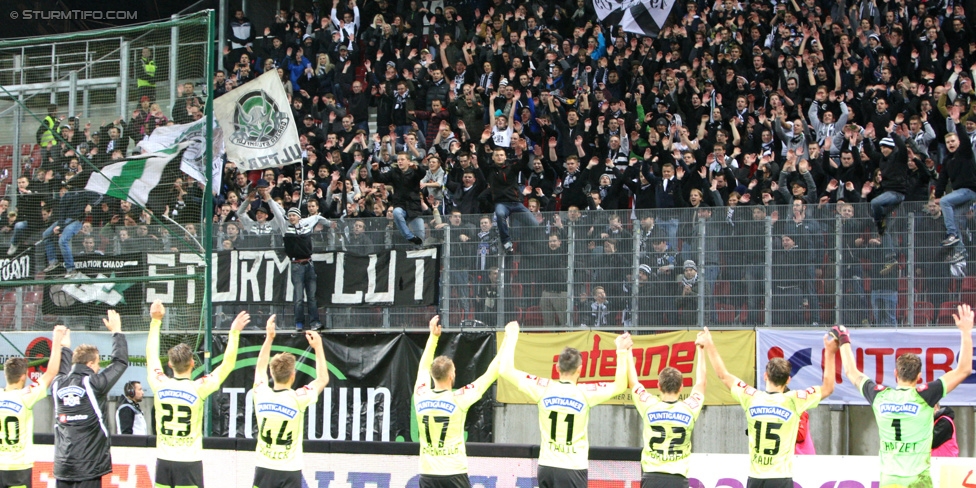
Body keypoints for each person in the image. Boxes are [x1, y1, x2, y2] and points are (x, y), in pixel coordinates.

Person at [832, 305, 973, 487]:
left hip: (889, 481)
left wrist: (844, 339)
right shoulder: (925, 396)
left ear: (895, 374)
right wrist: (966, 331)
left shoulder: (880, 396)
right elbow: (964, 369)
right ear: (919, 377)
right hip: (917, 481)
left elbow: (851, 372)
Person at [499, 322, 631, 488]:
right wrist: (621, 351)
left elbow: (504, 370)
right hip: (573, 468)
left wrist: (511, 336)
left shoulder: (542, 388)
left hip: (547, 466)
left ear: (557, 367)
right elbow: (620, 385)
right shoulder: (585, 393)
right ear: (580, 370)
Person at [701, 326, 836, 488]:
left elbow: (723, 375)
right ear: (788, 381)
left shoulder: (750, 397)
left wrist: (709, 344)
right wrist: (830, 352)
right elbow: (828, 387)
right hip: (781, 478)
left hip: (756, 478)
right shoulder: (794, 400)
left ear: (765, 376)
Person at [147, 301, 249, 488]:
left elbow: (151, 357)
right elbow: (228, 365)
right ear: (193, 363)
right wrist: (234, 333)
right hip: (188, 462)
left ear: (169, 364)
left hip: (163, 461)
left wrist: (156, 321)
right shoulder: (199, 388)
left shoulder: (159, 384)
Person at [414, 315, 506, 487]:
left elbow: (422, 367)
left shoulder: (420, 396)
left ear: (433, 376)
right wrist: (507, 341)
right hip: (453, 472)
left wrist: (433, 338)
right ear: (451, 376)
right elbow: (489, 375)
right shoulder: (459, 399)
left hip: (428, 474)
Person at [53, 310, 129, 488]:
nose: (98, 368)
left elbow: (62, 371)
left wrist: (64, 348)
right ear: (90, 364)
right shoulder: (94, 383)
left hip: (63, 466)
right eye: (97, 364)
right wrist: (117, 331)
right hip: (89, 468)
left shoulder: (58, 384)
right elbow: (120, 363)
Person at [252, 315, 329, 488]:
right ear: (293, 376)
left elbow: (259, 368)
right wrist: (318, 347)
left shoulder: (260, 394)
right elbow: (322, 378)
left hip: (264, 468)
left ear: (272, 374)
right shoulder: (298, 399)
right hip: (289, 471)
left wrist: (269, 338)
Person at [625, 329, 706, 488]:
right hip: (678, 479)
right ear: (681, 387)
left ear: (658, 386)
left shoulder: (649, 406)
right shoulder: (689, 409)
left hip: (651, 478)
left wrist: (627, 351)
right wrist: (701, 350)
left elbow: (633, 382)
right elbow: (701, 384)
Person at [0, 325, 66, 488]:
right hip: (19, 467)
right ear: (24, 376)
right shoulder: (26, 396)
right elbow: (51, 372)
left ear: (5, 374)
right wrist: (57, 340)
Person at [275, 206, 333, 330]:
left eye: (294, 215)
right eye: (290, 215)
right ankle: (299, 323)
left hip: (309, 264)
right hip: (296, 265)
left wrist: (329, 223)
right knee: (299, 297)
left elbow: (317, 217)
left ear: (299, 217)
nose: (291, 217)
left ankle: (314, 322)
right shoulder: (285, 227)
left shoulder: (306, 225)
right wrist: (269, 199)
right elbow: (277, 212)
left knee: (312, 297)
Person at [934, 106, 976, 264]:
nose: (950, 144)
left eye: (953, 141)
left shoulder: (965, 152)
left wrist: (958, 123)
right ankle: (961, 251)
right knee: (956, 219)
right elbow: (942, 179)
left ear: (958, 142)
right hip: (960, 193)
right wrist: (937, 195)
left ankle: (951, 234)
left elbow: (965, 140)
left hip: (970, 190)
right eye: (948, 142)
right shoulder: (947, 160)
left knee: (946, 202)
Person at [372, 153, 427, 245]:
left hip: (414, 207)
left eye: (402, 159)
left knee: (421, 237)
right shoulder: (394, 172)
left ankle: (420, 251)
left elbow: (423, 173)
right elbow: (382, 178)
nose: (400, 161)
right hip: (400, 204)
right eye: (398, 160)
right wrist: (375, 171)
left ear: (408, 161)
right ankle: (409, 236)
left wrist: (416, 167)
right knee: (396, 212)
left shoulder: (414, 172)